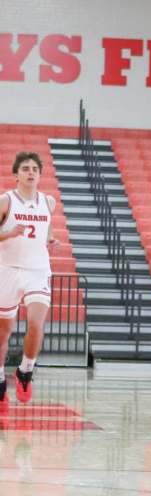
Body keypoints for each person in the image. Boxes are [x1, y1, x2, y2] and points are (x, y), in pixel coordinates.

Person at [0, 152, 58, 409]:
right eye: (25, 168)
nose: (30, 172)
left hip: (37, 269)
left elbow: (47, 230)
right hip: (7, 269)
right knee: (3, 331)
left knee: (36, 322)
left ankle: (25, 370)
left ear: (40, 174)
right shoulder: (5, 201)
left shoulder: (49, 202)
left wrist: (50, 240)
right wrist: (8, 233)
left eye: (35, 168)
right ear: (16, 174)